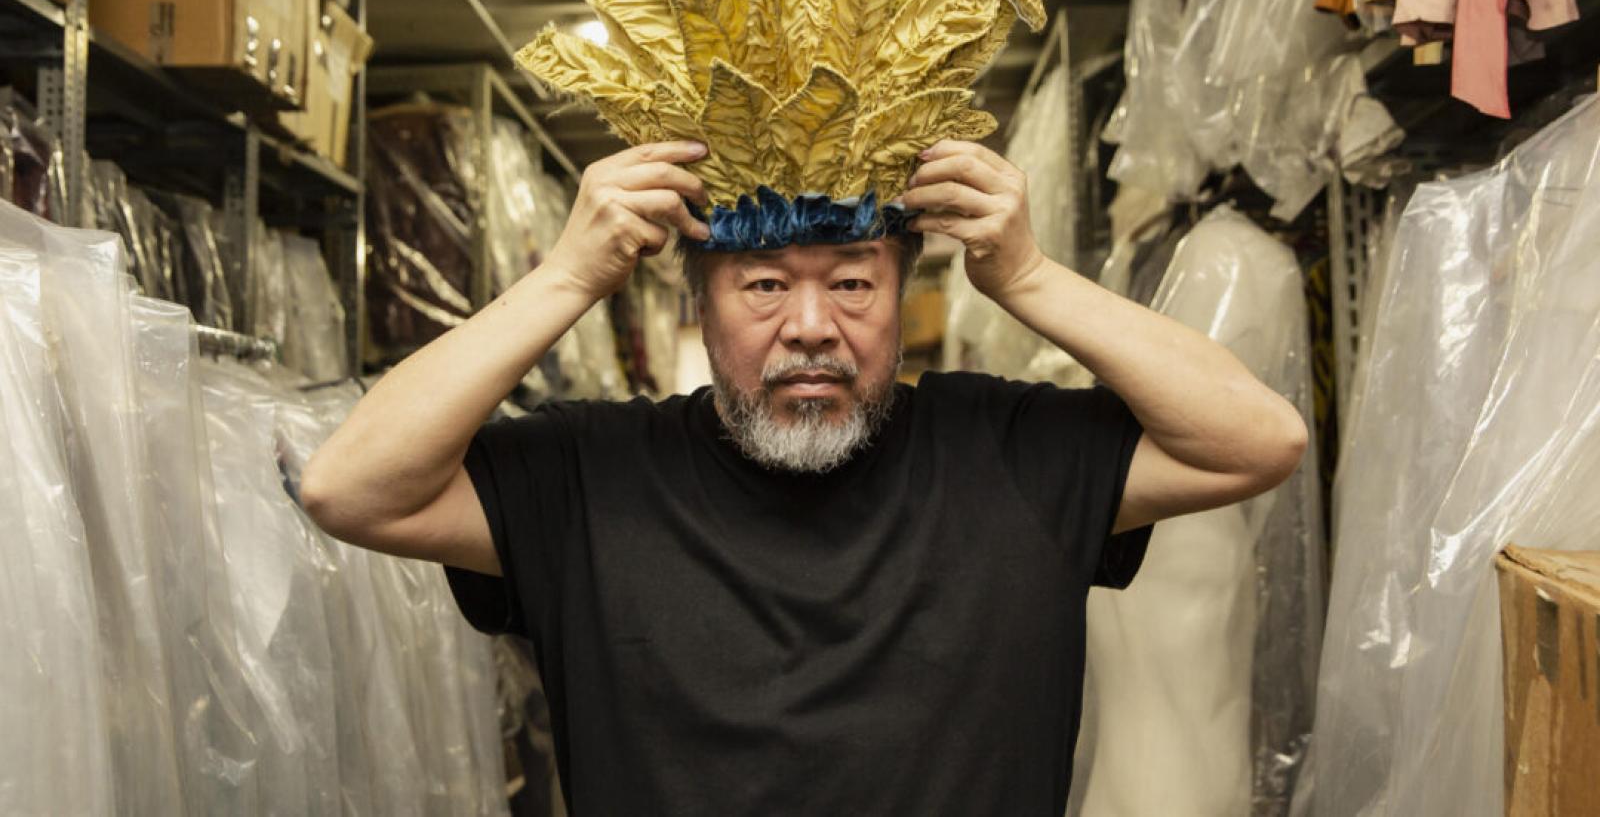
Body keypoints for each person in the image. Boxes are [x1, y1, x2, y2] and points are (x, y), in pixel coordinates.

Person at [302, 135, 1307, 816]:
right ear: (701, 304)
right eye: (765, 284)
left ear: (902, 291)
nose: (813, 325)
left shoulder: (1010, 450)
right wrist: (567, 276)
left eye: (855, 280)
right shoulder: (586, 475)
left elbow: (1259, 439)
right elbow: (347, 486)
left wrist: (1031, 277)